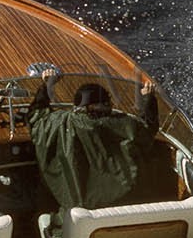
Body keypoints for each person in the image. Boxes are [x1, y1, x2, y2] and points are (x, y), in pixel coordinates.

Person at [27, 69, 166, 222]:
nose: (110, 106)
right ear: (97, 106)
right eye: (107, 103)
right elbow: (147, 129)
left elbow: (35, 117)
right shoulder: (123, 124)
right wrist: (148, 99)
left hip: (77, 220)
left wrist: (47, 85)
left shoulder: (59, 122)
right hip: (123, 213)